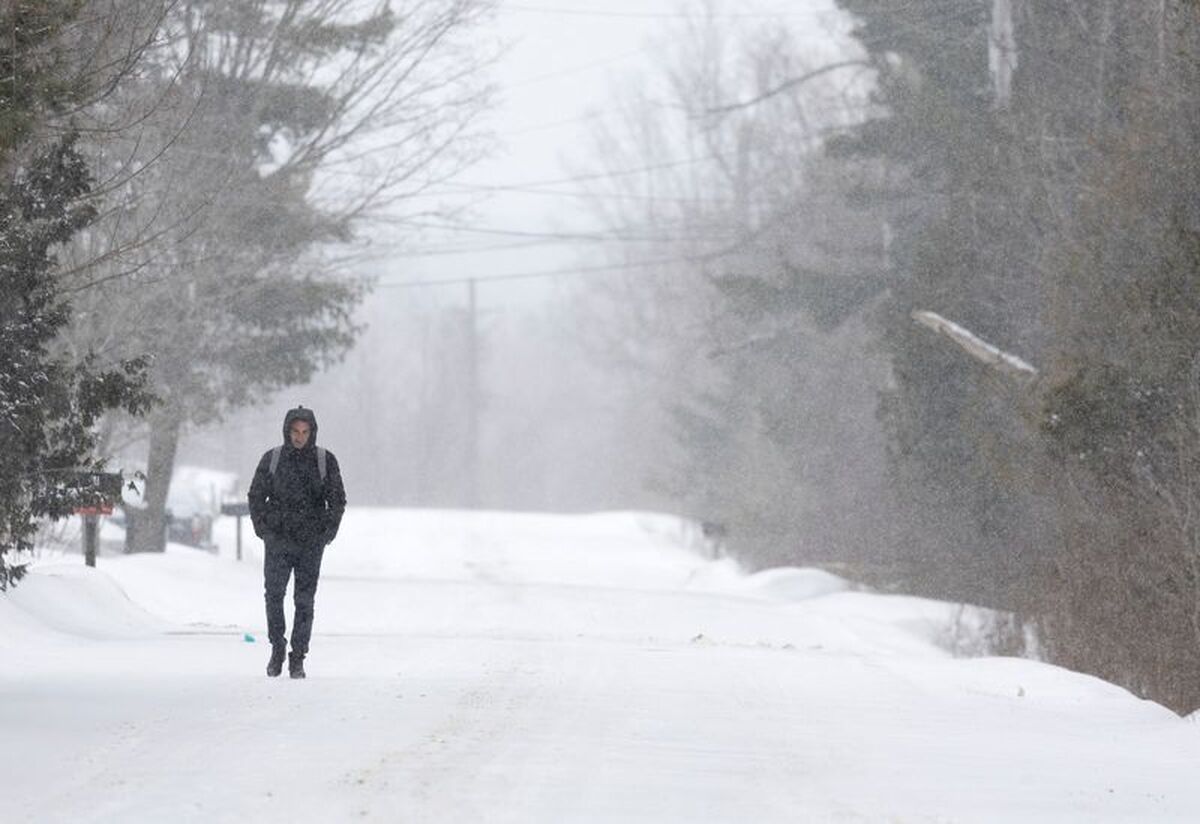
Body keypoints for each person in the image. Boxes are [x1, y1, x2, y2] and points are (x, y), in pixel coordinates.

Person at [248, 406, 346, 679]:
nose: (300, 437)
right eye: (295, 431)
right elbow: (256, 496)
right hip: (278, 540)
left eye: (305, 432)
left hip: (310, 543)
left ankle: (298, 655)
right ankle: (277, 646)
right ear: (287, 431)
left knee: (304, 600)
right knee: (274, 595)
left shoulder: (325, 461)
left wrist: (327, 532)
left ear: (312, 432)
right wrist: (264, 528)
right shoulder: (273, 459)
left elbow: (337, 500)